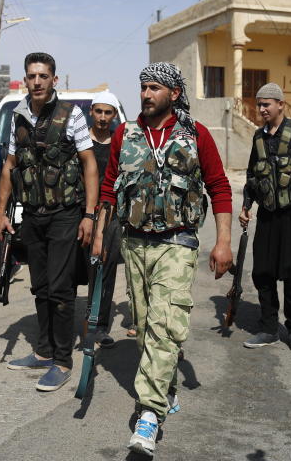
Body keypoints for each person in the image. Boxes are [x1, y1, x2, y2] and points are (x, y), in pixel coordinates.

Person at [98, 62, 233, 457]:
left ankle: (148, 415)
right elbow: (109, 185)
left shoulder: (196, 135)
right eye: (142, 87)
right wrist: (99, 233)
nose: (145, 94)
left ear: (174, 94)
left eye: (154, 87)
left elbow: (219, 187)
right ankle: (165, 385)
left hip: (178, 242)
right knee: (144, 327)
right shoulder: (126, 133)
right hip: (134, 244)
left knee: (165, 323)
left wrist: (222, 242)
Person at [0, 52, 99, 392]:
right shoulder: (18, 116)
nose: (36, 81)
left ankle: (63, 360)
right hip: (32, 215)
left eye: (42, 76)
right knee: (39, 285)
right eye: (31, 76)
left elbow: (89, 164)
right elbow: (11, 164)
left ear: (54, 80)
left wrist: (89, 215)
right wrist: (0, 211)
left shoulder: (72, 115)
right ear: (25, 80)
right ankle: (42, 351)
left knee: (60, 288)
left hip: (66, 215)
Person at [238, 83, 291, 353]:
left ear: (280, 105)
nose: (261, 109)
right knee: (263, 271)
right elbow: (253, 175)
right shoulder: (258, 137)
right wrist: (246, 204)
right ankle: (268, 328)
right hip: (267, 216)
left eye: (266, 104)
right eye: (259, 104)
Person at [86, 91, 123, 347]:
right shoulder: (80, 142)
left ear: (114, 115)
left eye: (107, 112)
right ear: (91, 112)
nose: (102, 117)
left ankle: (98, 325)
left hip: (109, 214)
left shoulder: (119, 143)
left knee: (105, 269)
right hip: (82, 214)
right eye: (98, 111)